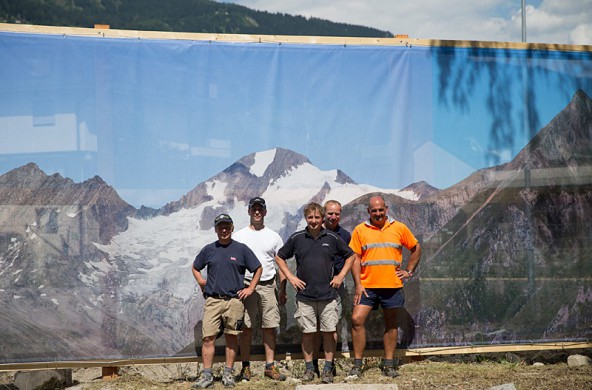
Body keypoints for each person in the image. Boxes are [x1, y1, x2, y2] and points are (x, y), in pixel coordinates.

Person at [275, 202, 355, 384]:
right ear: (306, 218)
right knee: (308, 333)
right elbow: (279, 257)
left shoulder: (332, 238)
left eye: (317, 217)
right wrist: (291, 277)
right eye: (310, 217)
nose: (313, 221)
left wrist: (341, 276)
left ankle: (327, 369)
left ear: (322, 218)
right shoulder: (297, 238)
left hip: (328, 296)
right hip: (305, 297)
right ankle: (310, 369)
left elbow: (351, 255)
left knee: (329, 332)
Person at [348, 195, 422, 379]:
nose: (378, 213)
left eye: (381, 210)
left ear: (386, 209)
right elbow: (355, 258)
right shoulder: (360, 230)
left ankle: (388, 364)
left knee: (391, 324)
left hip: (392, 286)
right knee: (357, 320)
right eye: (374, 210)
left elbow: (416, 248)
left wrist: (409, 270)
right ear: (369, 212)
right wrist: (358, 284)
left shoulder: (399, 227)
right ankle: (357, 365)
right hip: (367, 287)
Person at [192, 213, 263, 389]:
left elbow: (258, 268)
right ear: (216, 229)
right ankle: (207, 375)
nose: (224, 230)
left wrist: (251, 288)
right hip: (213, 301)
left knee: (232, 338)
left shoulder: (241, 249)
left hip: (234, 301)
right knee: (208, 338)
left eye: (227, 226)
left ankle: (228, 374)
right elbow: (195, 267)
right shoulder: (209, 249)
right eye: (220, 227)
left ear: (232, 228)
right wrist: (201, 281)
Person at [233, 197, 287, 381]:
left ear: (265, 212)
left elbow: (281, 264)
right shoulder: (238, 236)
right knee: (246, 327)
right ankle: (246, 367)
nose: (257, 212)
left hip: (268, 285)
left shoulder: (274, 236)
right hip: (246, 285)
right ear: (248, 211)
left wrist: (282, 289)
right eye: (253, 209)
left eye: (260, 209)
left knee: (269, 327)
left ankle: (270, 367)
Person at [312, 200, 352, 376]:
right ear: (324, 214)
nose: (333, 217)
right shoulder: (314, 232)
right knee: (313, 327)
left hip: (335, 287)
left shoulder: (345, 235)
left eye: (336, 214)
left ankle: (330, 364)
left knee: (331, 326)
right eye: (330, 213)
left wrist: (340, 276)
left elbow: (350, 258)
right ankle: (312, 364)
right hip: (314, 286)